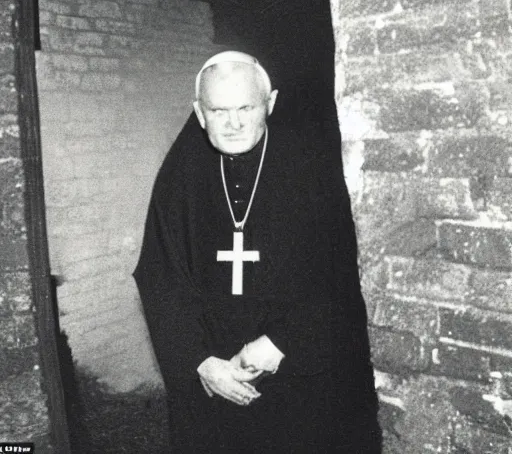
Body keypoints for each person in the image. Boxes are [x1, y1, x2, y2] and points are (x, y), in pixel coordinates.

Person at [133, 51, 381, 452]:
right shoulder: (179, 175)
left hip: (300, 369)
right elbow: (160, 276)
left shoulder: (311, 168)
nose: (233, 123)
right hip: (214, 374)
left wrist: (280, 341)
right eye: (218, 110)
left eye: (246, 107)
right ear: (199, 112)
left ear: (271, 103)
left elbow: (342, 270)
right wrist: (201, 362)